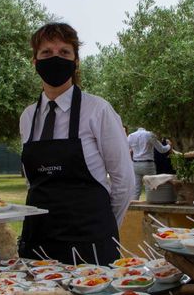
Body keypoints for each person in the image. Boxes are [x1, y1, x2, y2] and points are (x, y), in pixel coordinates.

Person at [18, 23, 135, 265]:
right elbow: (34, 182)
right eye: (46, 53)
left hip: (91, 244)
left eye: (64, 52)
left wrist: (104, 226)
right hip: (38, 243)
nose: (55, 58)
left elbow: (124, 179)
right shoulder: (28, 117)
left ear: (76, 61)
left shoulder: (98, 110)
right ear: (35, 61)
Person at [127, 127, 171, 200]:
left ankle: (134, 206)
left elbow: (126, 149)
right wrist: (169, 145)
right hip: (148, 164)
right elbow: (162, 150)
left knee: (136, 189)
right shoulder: (149, 134)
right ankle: (150, 207)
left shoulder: (130, 136)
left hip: (135, 164)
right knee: (151, 187)